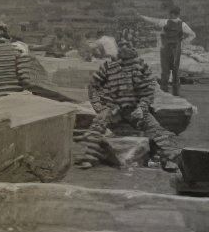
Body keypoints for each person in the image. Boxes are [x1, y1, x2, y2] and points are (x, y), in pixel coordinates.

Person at [76, 35, 181, 171]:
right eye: (122, 45)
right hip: (113, 109)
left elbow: (148, 91)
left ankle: (169, 159)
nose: (125, 47)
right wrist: (99, 107)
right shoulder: (108, 66)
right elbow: (93, 86)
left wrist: (142, 108)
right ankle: (89, 158)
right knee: (98, 124)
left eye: (128, 45)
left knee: (156, 129)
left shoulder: (142, 67)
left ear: (133, 47)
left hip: (135, 110)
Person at [140, 7, 195, 97]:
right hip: (172, 49)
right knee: (173, 71)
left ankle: (166, 93)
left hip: (168, 49)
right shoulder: (181, 24)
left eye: (171, 14)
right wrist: (183, 42)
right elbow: (192, 35)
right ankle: (173, 93)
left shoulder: (168, 22)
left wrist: (183, 43)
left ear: (174, 14)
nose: (169, 15)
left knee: (168, 71)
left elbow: (153, 20)